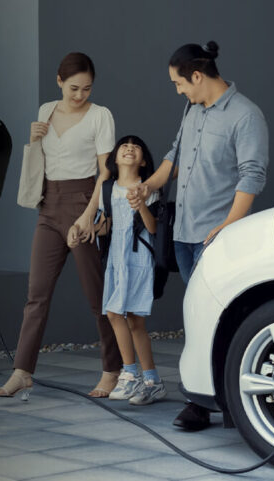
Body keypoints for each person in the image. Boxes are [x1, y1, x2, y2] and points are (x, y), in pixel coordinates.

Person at [128, 41, 269, 429]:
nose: (178, 91)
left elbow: (252, 174)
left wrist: (228, 226)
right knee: (199, 318)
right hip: (184, 235)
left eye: (179, 83)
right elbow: (175, 155)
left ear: (196, 75)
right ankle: (206, 398)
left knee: (223, 319)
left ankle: (214, 403)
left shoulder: (246, 115)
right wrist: (149, 187)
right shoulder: (193, 109)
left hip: (218, 238)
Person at [0, 52, 122, 400]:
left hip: (83, 203)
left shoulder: (100, 116)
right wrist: (34, 139)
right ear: (59, 82)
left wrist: (88, 217)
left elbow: (105, 173)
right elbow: (43, 161)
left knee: (97, 298)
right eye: (74, 88)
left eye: (87, 89)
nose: (80, 96)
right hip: (49, 208)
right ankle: (22, 371)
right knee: (36, 296)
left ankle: (113, 370)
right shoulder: (45, 111)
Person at [95, 136, 166, 406]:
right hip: (116, 258)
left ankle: (148, 379)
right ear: (115, 157)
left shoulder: (148, 189)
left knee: (135, 320)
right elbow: (106, 224)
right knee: (114, 313)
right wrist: (92, 227)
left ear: (144, 160)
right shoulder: (107, 188)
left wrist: (142, 207)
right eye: (124, 145)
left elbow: (153, 229)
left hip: (139, 258)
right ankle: (135, 374)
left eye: (136, 146)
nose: (129, 148)